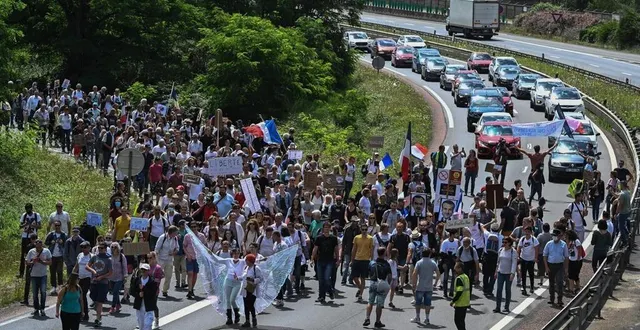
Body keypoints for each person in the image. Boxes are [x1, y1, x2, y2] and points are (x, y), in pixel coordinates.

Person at [363, 247, 392, 328]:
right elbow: (390, 276)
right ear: (384, 253)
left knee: (370, 301)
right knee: (379, 304)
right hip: (382, 284)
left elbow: (368, 273)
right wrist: (388, 284)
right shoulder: (386, 264)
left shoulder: (372, 262)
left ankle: (367, 318)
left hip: (373, 283)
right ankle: (377, 321)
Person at [86, 242, 113, 326]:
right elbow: (87, 266)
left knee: (99, 301)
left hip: (103, 282)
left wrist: (101, 277)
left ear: (105, 249)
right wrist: (93, 271)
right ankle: (99, 313)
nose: (100, 249)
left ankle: (97, 318)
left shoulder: (109, 259)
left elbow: (110, 272)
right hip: (94, 281)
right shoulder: (94, 257)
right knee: (93, 297)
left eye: (102, 248)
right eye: (99, 248)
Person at [410, 249, 440, 325]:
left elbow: (414, 274)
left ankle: (417, 317)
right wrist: (435, 283)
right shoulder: (433, 263)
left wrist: (414, 284)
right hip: (429, 286)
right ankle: (427, 318)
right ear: (429, 254)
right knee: (428, 304)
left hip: (420, 285)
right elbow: (438, 273)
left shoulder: (419, 263)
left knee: (418, 303)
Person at [312, 221, 340, 304]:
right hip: (320, 261)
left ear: (330, 228)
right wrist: (312, 258)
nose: (326, 229)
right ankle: (321, 297)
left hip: (329, 261)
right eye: (325, 227)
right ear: (323, 228)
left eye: (328, 227)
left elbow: (336, 250)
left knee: (327, 278)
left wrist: (338, 260)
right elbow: (315, 248)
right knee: (321, 280)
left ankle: (330, 291)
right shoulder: (319, 238)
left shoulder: (333, 238)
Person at [26, 239, 52, 317]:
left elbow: (50, 262)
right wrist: (32, 262)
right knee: (34, 293)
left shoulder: (46, 251)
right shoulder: (31, 251)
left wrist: (41, 261)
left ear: (42, 244)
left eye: (40, 242)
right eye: (36, 242)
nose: (38, 244)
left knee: (43, 292)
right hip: (34, 275)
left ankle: (42, 308)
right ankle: (36, 308)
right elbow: (27, 262)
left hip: (43, 275)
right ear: (35, 244)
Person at [543, 229, 569, 306]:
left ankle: (559, 299)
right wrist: (546, 267)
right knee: (551, 283)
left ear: (559, 236)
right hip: (551, 265)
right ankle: (552, 299)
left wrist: (566, 268)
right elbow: (545, 256)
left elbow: (566, 257)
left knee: (560, 283)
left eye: (555, 236)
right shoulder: (549, 244)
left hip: (559, 266)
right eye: (553, 236)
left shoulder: (563, 244)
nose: (554, 237)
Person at [19, 203, 42, 279]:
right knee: (23, 254)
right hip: (25, 237)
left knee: (34, 253)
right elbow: (20, 226)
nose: (27, 210)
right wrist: (25, 224)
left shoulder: (36, 215)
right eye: (26, 208)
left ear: (31, 208)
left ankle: (32, 271)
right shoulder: (24, 215)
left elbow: (40, 226)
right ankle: (21, 273)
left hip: (33, 237)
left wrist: (32, 225)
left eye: (29, 208)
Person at [154, 225, 179, 297]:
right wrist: (156, 259)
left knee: (168, 275)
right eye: (175, 233)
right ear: (171, 232)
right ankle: (155, 289)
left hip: (169, 259)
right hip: (161, 259)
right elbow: (157, 249)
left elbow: (177, 248)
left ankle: (165, 290)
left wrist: (174, 252)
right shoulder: (162, 237)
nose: (176, 234)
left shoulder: (175, 239)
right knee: (157, 276)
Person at [494, 237, 517, 313]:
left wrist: (512, 273)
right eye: (503, 242)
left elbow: (514, 263)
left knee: (507, 290)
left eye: (505, 242)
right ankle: (498, 307)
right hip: (500, 272)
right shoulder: (501, 250)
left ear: (509, 243)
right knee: (499, 290)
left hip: (508, 274)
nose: (503, 244)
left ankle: (506, 307)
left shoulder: (513, 252)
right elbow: (498, 262)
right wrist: (496, 271)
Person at [222, 248, 245, 325]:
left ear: (239, 254)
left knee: (232, 299)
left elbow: (253, 261)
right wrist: (210, 253)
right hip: (228, 281)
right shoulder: (228, 260)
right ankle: (229, 318)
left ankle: (236, 313)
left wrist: (264, 259)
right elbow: (217, 259)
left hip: (237, 283)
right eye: (234, 253)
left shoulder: (242, 262)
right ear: (232, 254)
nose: (236, 255)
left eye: (237, 253)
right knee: (228, 300)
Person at [132, 263, 158, 330]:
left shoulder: (152, 281)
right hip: (139, 305)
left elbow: (153, 293)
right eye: (142, 269)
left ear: (148, 271)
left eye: (145, 270)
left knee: (147, 324)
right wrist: (138, 295)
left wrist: (144, 290)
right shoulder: (137, 280)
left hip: (148, 305)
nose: (143, 271)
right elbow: (132, 291)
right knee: (141, 324)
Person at [44, 220, 67, 295]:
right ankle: (53, 286)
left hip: (60, 255)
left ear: (60, 226)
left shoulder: (63, 234)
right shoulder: (51, 234)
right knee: (52, 271)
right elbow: (46, 242)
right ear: (54, 226)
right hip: (52, 255)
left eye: (58, 225)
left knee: (60, 271)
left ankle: (60, 286)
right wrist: (51, 242)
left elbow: (67, 244)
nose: (57, 227)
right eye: (56, 225)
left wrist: (62, 242)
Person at [183, 222, 205, 299]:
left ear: (197, 227)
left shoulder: (201, 236)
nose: (193, 228)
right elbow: (184, 246)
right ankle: (189, 290)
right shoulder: (187, 236)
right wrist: (187, 254)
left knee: (195, 274)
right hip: (189, 257)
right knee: (190, 273)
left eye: (195, 226)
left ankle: (192, 288)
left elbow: (203, 247)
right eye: (191, 227)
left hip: (197, 258)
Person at [241, 254, 262, 328]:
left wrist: (253, 280)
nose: (245, 261)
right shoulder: (245, 267)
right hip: (245, 289)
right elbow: (243, 277)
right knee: (245, 305)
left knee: (250, 305)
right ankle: (247, 321)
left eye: (247, 260)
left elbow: (260, 278)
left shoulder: (256, 268)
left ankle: (253, 317)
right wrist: (238, 278)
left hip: (252, 290)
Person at [517, 226, 539, 296]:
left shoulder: (533, 239)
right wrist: (518, 256)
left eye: (528, 231)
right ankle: (523, 287)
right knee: (523, 274)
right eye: (526, 231)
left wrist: (535, 257)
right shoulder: (522, 239)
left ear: (530, 232)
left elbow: (536, 249)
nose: (527, 233)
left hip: (531, 259)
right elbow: (519, 247)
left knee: (531, 273)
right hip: (523, 258)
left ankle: (532, 287)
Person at [75, 241, 92, 321]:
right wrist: (72, 276)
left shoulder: (92, 256)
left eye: (85, 247)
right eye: (82, 247)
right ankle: (80, 312)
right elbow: (76, 266)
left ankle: (85, 314)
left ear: (89, 248)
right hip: (80, 278)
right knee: (78, 296)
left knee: (83, 295)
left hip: (88, 278)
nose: (83, 249)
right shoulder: (80, 255)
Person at [450, 262, 470, 330]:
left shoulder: (459, 279)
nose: (454, 269)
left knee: (458, 321)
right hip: (465, 302)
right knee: (461, 321)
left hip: (460, 303)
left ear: (460, 268)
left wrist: (453, 301)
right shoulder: (465, 276)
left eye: (456, 267)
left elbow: (459, 292)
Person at [109, 242, 127, 314]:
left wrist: (125, 276)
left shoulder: (121, 256)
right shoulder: (110, 256)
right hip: (111, 277)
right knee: (114, 292)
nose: (114, 249)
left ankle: (113, 306)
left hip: (119, 277)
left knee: (115, 292)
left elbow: (124, 267)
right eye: (112, 247)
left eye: (115, 247)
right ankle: (118, 304)